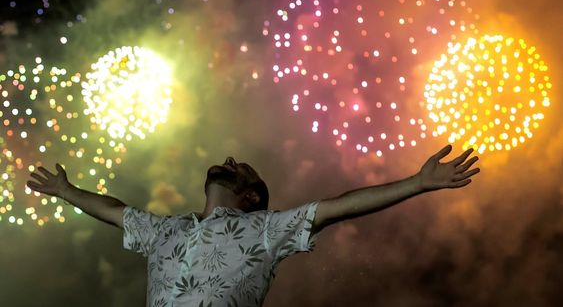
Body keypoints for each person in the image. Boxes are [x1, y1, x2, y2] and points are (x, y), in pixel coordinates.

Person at [26, 144, 480, 306]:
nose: (227, 161)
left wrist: (418, 184)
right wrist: (68, 193)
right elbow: (113, 208)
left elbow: (341, 205)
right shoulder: (164, 230)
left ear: (251, 198)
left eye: (239, 167)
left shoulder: (265, 229)